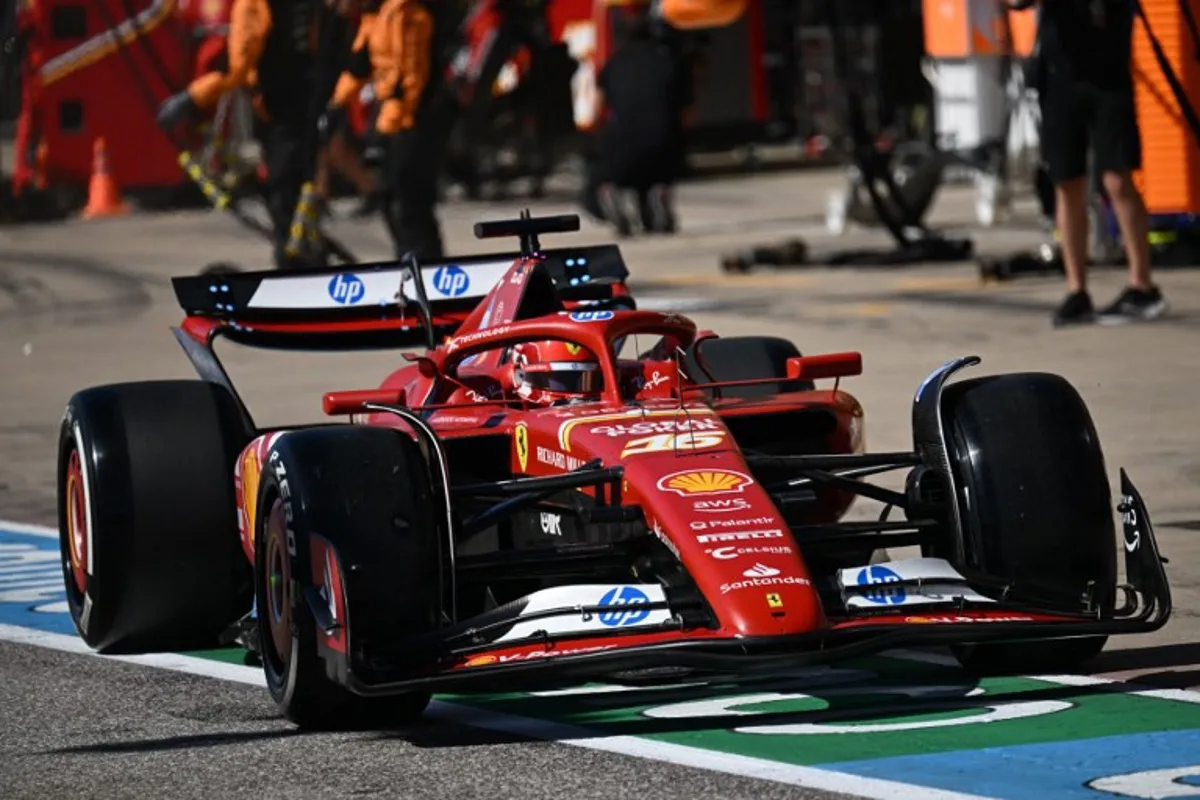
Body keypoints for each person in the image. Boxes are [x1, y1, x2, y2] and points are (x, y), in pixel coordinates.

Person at [157, 0, 354, 270]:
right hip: (312, 105)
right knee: (295, 197)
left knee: (287, 198)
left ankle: (301, 270)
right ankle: (305, 259)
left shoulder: (254, 4)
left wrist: (191, 99)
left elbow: (237, 64)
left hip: (286, 112)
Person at [1031, 0, 1169, 325]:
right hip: (1058, 72)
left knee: (1117, 179)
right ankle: (1077, 290)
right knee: (1067, 181)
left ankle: (1142, 285)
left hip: (1109, 74)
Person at [319, 0, 449, 261]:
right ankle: (407, 258)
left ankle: (426, 263)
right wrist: (336, 105)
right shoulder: (373, 18)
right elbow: (358, 66)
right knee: (390, 198)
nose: (332, 5)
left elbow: (410, 80)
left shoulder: (407, 14)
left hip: (416, 121)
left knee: (410, 200)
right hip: (392, 118)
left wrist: (384, 130)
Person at [585, 12, 690, 236]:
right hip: (663, 142)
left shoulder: (613, 64)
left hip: (623, 143)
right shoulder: (669, 60)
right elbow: (687, 110)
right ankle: (660, 190)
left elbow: (596, 112)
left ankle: (610, 192)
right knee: (660, 162)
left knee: (605, 174)